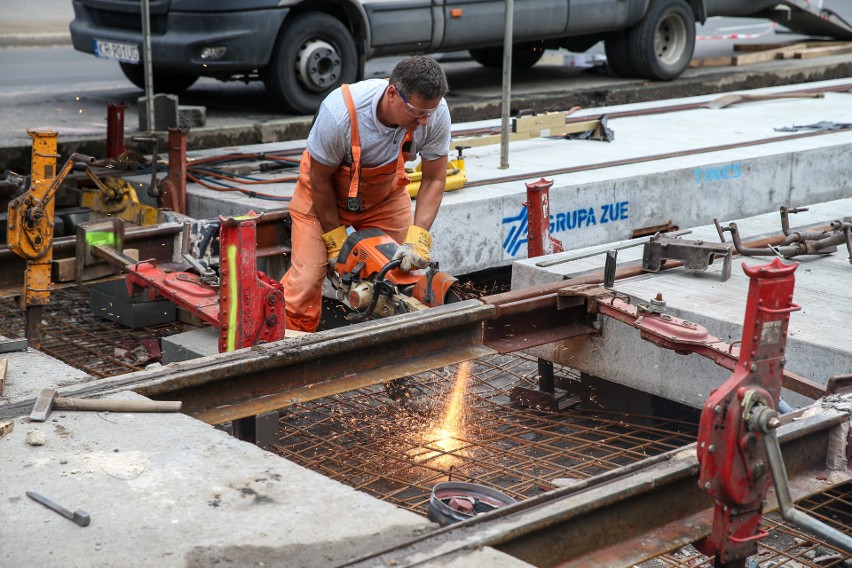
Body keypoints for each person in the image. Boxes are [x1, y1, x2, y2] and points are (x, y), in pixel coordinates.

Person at [281, 55, 451, 333]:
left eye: (428, 114)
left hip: (384, 197)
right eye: (417, 113)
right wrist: (335, 241)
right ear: (393, 93)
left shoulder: (434, 112)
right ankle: (290, 358)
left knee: (400, 281)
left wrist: (419, 237)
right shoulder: (340, 113)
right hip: (322, 198)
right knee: (306, 284)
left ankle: (394, 362)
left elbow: (434, 178)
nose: (423, 121)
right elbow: (320, 180)